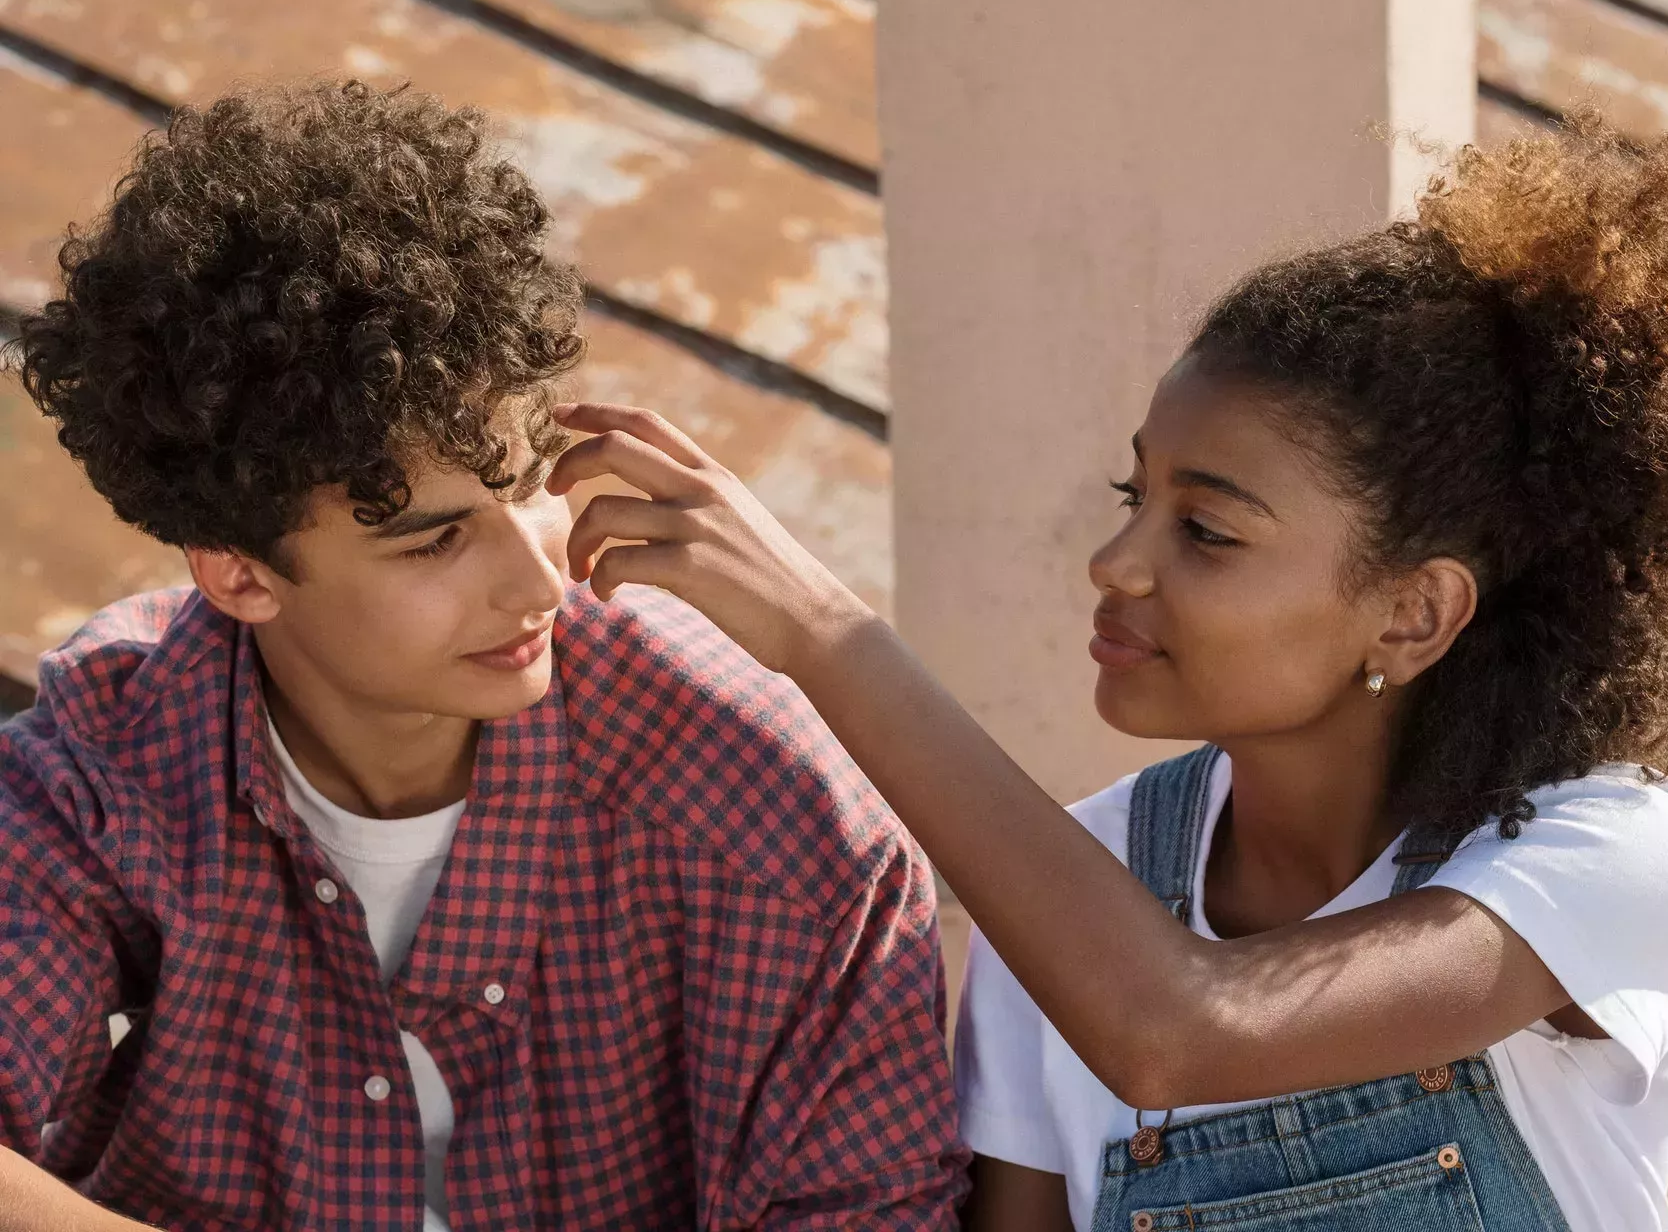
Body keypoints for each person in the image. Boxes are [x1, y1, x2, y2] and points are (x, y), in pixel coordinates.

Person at [542, 114, 1668, 1231]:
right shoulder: (1068, 905)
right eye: (1131, 494)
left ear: (1415, 613)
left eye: (1205, 531)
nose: (1117, 561)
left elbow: (1179, 1029)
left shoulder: (1602, 853)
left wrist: (826, 631)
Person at [0, 80, 968, 1230]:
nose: (540, 578)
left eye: (523, 484)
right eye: (436, 538)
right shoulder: (108, 753)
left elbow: (874, 1212)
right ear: (239, 574)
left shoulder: (778, 817)